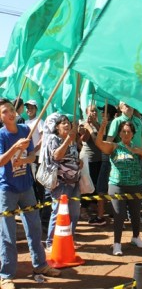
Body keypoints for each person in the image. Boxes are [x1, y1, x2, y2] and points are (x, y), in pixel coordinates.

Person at [0, 98, 60, 289]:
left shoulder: (26, 129)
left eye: (11, 109)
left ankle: (40, 265)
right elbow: (0, 162)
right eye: (4, 111)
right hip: (6, 189)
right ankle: (6, 275)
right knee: (7, 234)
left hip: (26, 186)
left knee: (34, 228)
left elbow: (34, 155)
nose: (9, 113)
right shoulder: (1, 135)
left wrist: (25, 160)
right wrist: (14, 149)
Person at [96, 118, 142, 256]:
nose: (126, 134)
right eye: (123, 131)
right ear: (119, 134)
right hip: (117, 185)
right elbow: (99, 143)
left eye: (129, 132)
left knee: (136, 214)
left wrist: (140, 152)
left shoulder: (137, 148)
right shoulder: (114, 147)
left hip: (135, 185)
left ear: (133, 134)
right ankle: (117, 243)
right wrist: (102, 128)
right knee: (119, 215)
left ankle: (136, 237)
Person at [45, 115, 83, 252]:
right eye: (63, 123)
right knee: (57, 212)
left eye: (68, 123)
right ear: (57, 127)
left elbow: (72, 157)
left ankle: (69, 239)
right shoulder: (53, 139)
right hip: (60, 183)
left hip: (74, 182)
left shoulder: (72, 141)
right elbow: (56, 156)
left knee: (74, 213)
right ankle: (50, 242)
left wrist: (79, 162)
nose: (67, 125)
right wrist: (68, 140)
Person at [79, 105, 103, 225]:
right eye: (92, 110)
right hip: (88, 159)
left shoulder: (98, 123)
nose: (94, 112)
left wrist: (94, 124)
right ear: (87, 112)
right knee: (87, 184)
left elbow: (102, 136)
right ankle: (83, 208)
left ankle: (93, 204)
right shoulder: (83, 124)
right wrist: (88, 127)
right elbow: (83, 139)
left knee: (97, 184)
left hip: (99, 159)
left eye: (95, 110)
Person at [24, 100, 44, 203]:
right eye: (28, 108)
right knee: (31, 182)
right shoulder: (25, 123)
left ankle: (43, 206)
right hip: (27, 157)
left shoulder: (39, 121)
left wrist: (33, 150)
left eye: (32, 108)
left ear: (36, 109)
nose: (29, 110)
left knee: (39, 181)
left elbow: (42, 138)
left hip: (37, 156)